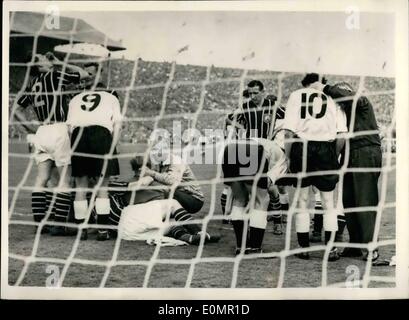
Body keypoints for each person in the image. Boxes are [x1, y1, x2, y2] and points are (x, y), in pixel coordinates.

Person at [15, 52, 89, 235]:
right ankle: (58, 225)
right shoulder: (55, 75)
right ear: (42, 65)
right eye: (44, 58)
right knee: (64, 180)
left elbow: (16, 109)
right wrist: (59, 62)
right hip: (58, 129)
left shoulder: (32, 84)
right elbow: (84, 74)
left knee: (41, 179)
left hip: (41, 131)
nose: (48, 58)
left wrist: (30, 129)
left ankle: (40, 224)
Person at [309, 79, 382, 261]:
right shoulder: (344, 111)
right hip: (351, 155)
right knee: (349, 200)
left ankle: (371, 247)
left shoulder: (361, 101)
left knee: (364, 200)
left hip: (364, 152)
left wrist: (325, 88)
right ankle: (356, 244)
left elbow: (349, 97)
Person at [282, 73, 348, 261]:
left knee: (302, 201)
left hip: (302, 148)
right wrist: (332, 155)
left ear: (305, 85)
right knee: (329, 203)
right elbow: (342, 134)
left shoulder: (296, 95)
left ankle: (304, 247)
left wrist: (287, 157)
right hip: (326, 148)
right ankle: (331, 249)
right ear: (323, 83)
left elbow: (288, 131)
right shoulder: (333, 96)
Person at [66, 69, 122, 241]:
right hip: (101, 135)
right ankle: (103, 230)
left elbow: (69, 128)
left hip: (78, 136)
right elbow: (118, 125)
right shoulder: (111, 97)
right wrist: (112, 148)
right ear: (102, 88)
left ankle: (82, 229)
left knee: (80, 185)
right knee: (102, 186)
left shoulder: (75, 99)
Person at [222, 137, 288, 255]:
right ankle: (254, 248)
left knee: (239, 200)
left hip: (230, 148)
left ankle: (241, 247)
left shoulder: (270, 145)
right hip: (252, 150)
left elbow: (234, 190)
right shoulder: (284, 158)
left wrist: (228, 208)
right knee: (262, 200)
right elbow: (269, 186)